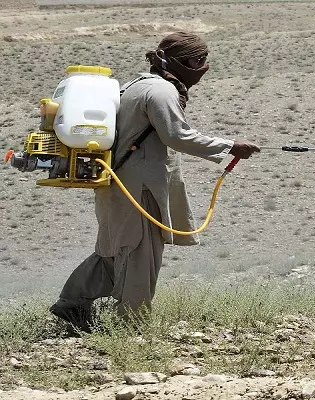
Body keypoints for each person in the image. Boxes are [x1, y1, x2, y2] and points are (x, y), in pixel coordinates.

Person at [49, 31, 261, 333]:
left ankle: (72, 304)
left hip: (115, 183)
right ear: (185, 62)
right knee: (139, 255)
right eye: (200, 62)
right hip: (139, 189)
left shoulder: (135, 85)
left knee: (114, 251)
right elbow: (177, 135)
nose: (204, 69)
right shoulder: (161, 92)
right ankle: (132, 329)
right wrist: (230, 146)